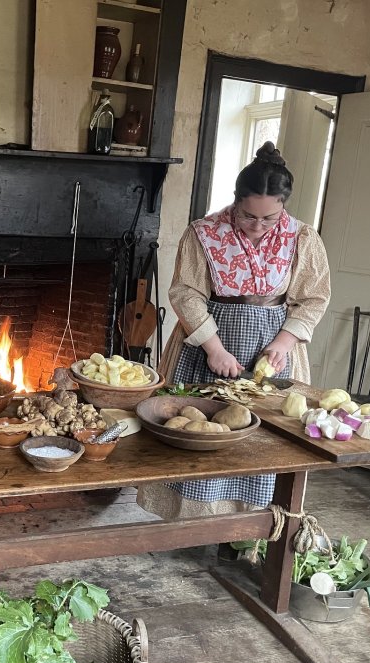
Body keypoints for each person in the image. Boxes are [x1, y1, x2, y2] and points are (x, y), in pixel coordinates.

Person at [138, 141, 331, 519]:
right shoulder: (204, 233)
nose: (258, 227)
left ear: (283, 205)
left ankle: (250, 528)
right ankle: (192, 522)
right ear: (236, 200)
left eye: (269, 218)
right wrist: (214, 349)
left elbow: (314, 297)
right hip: (207, 343)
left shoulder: (302, 238)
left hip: (273, 347)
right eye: (248, 215)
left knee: (263, 439)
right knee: (198, 429)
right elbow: (186, 292)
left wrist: (283, 343)